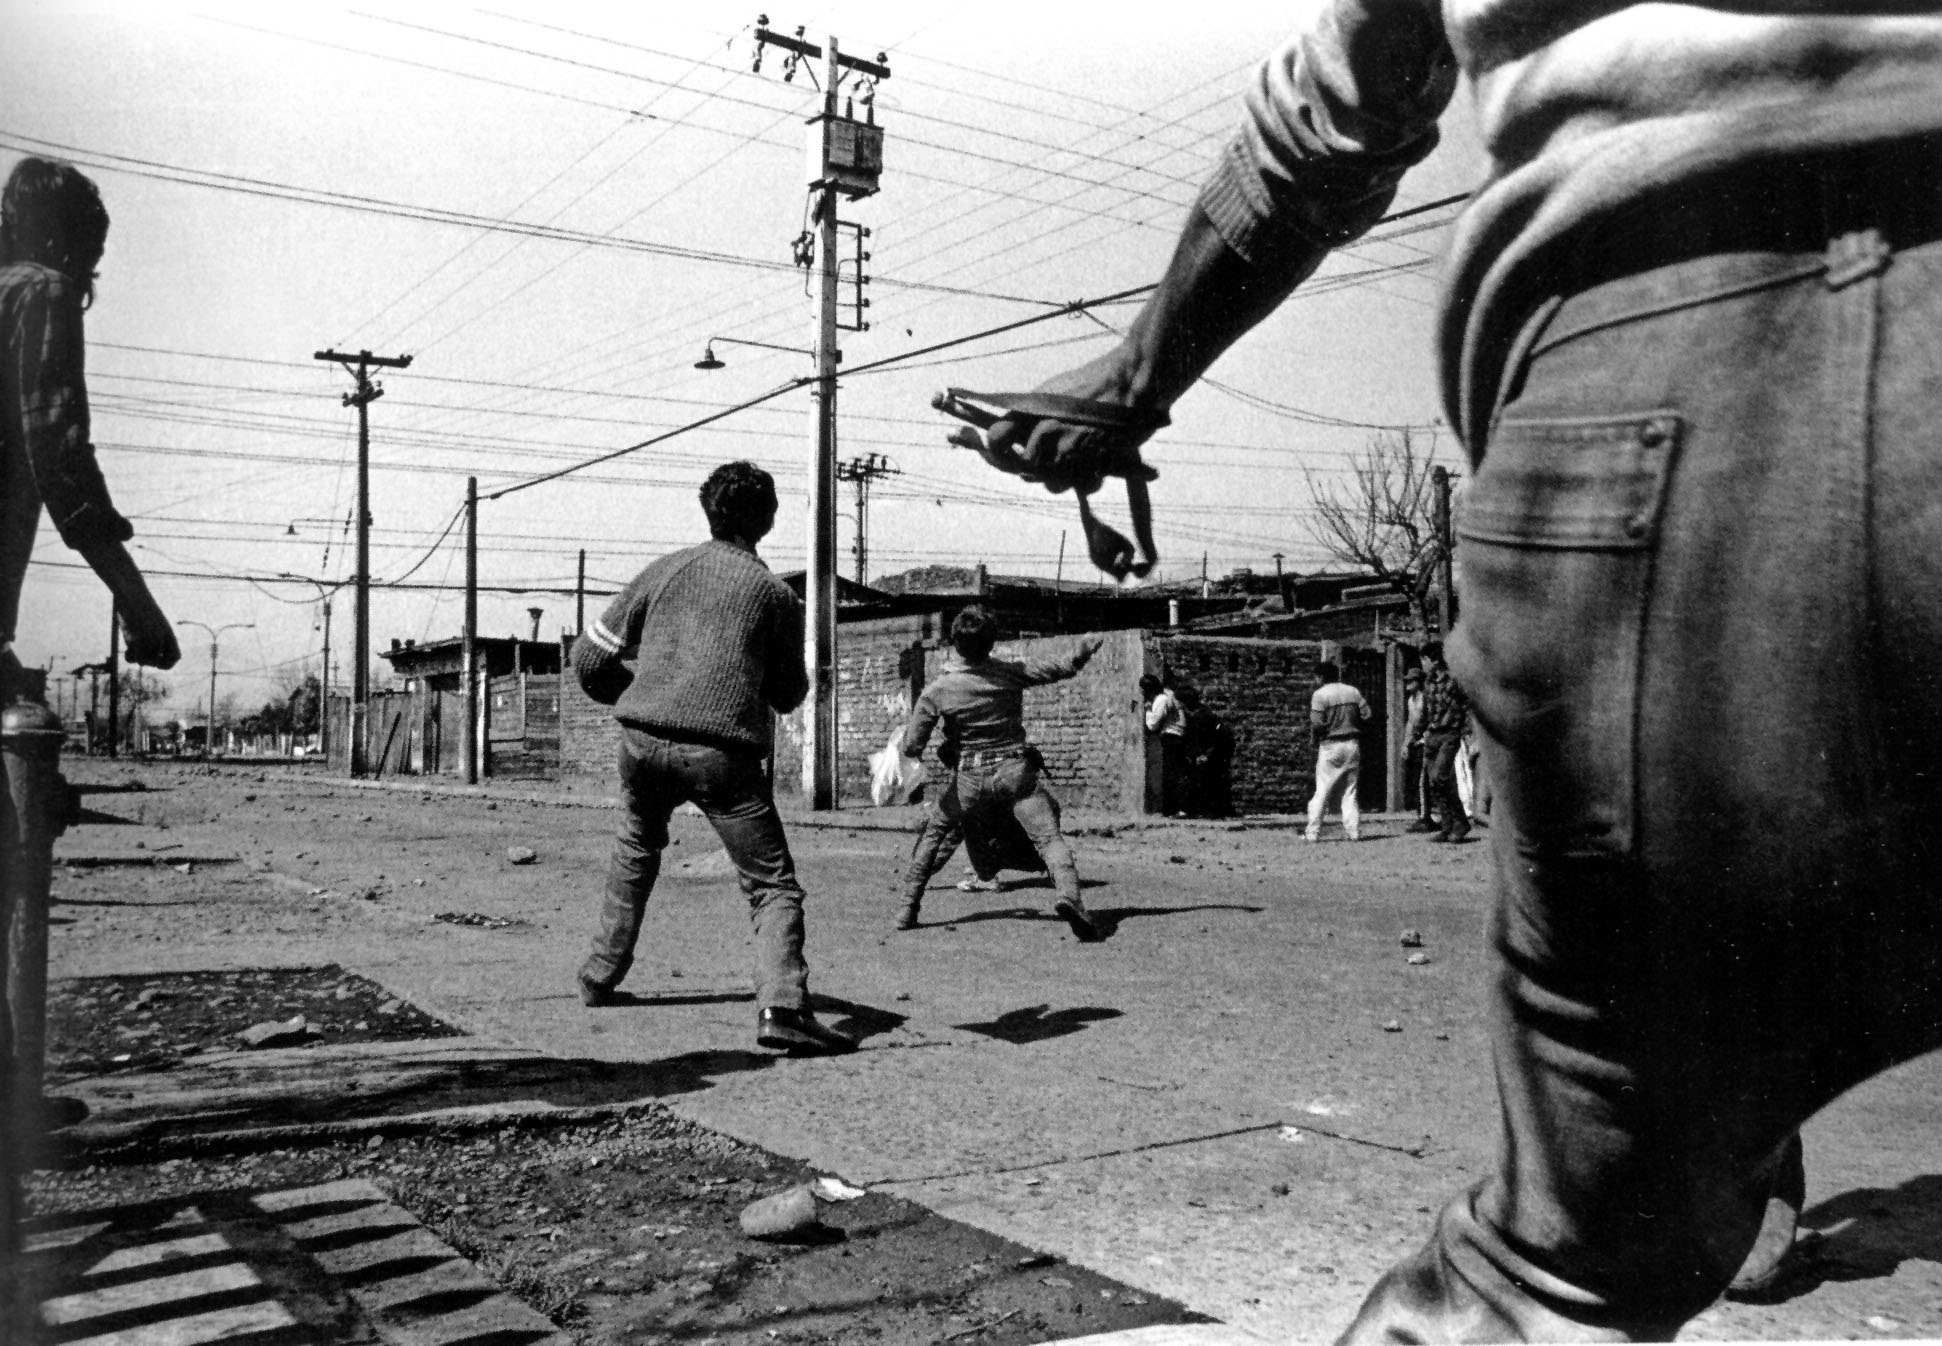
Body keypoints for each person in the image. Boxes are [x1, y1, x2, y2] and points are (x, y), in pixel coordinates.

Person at [942, 8, 1942, 1333]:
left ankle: (1677, 1197)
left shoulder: (976, 681)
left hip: (1665, 344)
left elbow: (1331, 113)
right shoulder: (1007, 676)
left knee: (1561, 1249)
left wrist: (1135, 377)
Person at [3, 155, 181, 1331]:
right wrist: (137, 596)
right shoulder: (37, 290)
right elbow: (57, 448)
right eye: (96, 257)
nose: (96, 278)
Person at [571, 460, 851, 1056]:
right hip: (722, 756)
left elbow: (589, 659)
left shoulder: (665, 569)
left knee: (634, 850)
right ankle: (782, 1008)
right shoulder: (774, 595)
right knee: (772, 886)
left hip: (640, 744)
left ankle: (599, 974)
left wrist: (649, 694)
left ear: (709, 511)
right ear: (769, 519)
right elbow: (789, 695)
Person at [897, 607, 1103, 940]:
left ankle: (907, 909)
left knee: (935, 834)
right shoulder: (1010, 673)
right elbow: (1062, 667)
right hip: (1015, 771)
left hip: (968, 778)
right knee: (1050, 839)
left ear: (954, 643)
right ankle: (1070, 898)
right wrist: (1084, 649)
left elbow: (911, 747)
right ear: (991, 642)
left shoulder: (938, 690)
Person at [1305, 660, 1370, 842]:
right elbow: (1367, 714)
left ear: (1321, 677)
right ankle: (1354, 832)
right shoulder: (1353, 692)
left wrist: (1324, 731)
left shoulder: (1320, 695)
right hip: (1352, 744)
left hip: (1330, 745)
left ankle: (1312, 832)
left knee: (1322, 791)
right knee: (1350, 791)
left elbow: (1316, 722)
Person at [1418, 640, 1470, 844]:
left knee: (1441, 778)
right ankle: (1448, 826)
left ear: (1434, 660)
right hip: (1432, 735)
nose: (1423, 664)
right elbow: (1425, 711)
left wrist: (1466, 730)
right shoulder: (1428, 682)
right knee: (1434, 783)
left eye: (1424, 660)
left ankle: (1461, 822)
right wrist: (1415, 736)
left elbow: (1467, 705)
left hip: (1449, 734)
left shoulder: (1454, 680)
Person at [1178, 686, 1235, 819]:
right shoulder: (1200, 714)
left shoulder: (1202, 717)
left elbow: (1210, 738)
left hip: (1216, 750)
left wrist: (1205, 755)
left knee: (1208, 780)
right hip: (1214, 750)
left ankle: (1209, 811)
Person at [1137, 672, 1188, 816]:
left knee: (1171, 773)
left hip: (1172, 737)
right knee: (1176, 772)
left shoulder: (1161, 700)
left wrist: (1147, 709)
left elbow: (1152, 725)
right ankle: (1178, 809)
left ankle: (1174, 809)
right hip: (1178, 736)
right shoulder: (1169, 694)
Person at [1400, 667, 1437, 832]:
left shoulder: (1425, 699)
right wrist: (1405, 743)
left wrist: (1423, 738)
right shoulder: (1411, 700)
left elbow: (1429, 721)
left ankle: (1425, 817)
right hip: (1415, 743)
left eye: (1411, 680)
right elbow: (1410, 723)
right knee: (1416, 780)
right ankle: (1421, 814)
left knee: (1423, 781)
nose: (1408, 683)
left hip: (1424, 742)